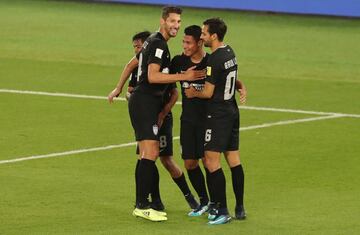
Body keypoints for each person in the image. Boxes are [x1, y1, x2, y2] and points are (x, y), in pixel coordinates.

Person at [112, 6, 205, 222]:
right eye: (173, 21)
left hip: (144, 102)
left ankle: (142, 204)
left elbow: (134, 63)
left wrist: (118, 87)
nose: (176, 26)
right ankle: (143, 205)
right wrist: (182, 76)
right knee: (151, 152)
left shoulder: (152, 40)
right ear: (163, 21)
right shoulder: (158, 45)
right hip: (145, 102)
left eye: (179, 22)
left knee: (147, 153)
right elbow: (153, 77)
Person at [185, 17, 247, 225]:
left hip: (218, 114)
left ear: (213, 35)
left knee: (211, 160)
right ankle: (240, 206)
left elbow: (209, 92)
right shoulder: (231, 53)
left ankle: (222, 210)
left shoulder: (215, 58)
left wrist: (194, 92)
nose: (201, 36)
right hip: (232, 111)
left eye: (204, 33)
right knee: (234, 159)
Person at [170, 25, 210, 217]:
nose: (184, 46)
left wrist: (240, 85)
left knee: (209, 162)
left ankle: (218, 203)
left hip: (207, 121)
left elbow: (226, 81)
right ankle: (204, 201)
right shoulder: (178, 62)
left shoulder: (210, 62)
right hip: (187, 120)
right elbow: (162, 77)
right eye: (183, 42)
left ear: (200, 42)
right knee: (190, 163)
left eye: (188, 42)